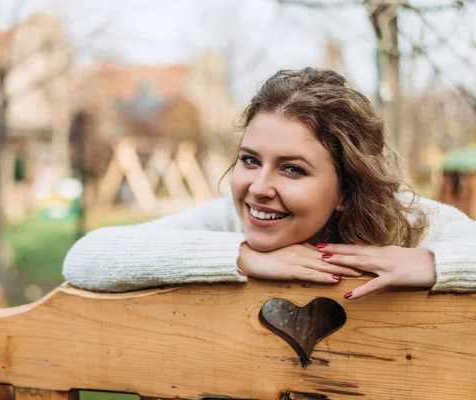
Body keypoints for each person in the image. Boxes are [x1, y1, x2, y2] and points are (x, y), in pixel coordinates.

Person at [63, 68, 476, 299]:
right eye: (250, 160)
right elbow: (86, 257)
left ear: (347, 191)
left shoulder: (410, 223)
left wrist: (433, 263)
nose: (259, 186)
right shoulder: (231, 219)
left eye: (292, 169)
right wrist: (240, 257)